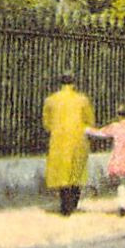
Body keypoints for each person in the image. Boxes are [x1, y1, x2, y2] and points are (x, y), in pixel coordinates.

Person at [42, 72, 95, 216]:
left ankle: (65, 206)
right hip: (78, 138)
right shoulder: (82, 100)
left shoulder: (51, 100)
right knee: (76, 171)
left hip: (59, 140)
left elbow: (46, 123)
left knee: (62, 171)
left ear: (60, 83)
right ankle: (73, 203)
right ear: (73, 84)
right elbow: (89, 120)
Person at [88, 106, 125, 217]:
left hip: (119, 156)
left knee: (121, 182)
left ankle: (122, 204)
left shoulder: (115, 127)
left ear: (120, 115)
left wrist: (85, 129)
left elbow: (100, 133)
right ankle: (123, 204)